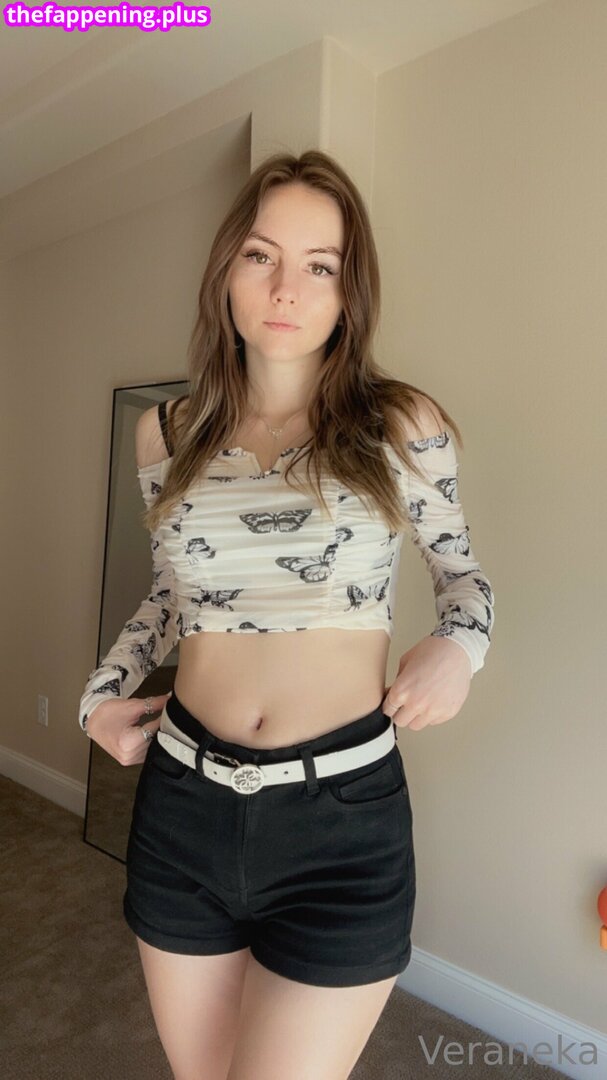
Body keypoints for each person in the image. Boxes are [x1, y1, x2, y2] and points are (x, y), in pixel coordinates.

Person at [78, 149, 494, 1080]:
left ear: (349, 291)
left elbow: (461, 576)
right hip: (182, 807)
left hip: (340, 821)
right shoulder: (167, 432)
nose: (284, 288)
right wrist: (98, 698)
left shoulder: (397, 424)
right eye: (260, 255)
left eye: (319, 265)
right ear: (226, 268)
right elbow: (171, 595)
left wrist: (456, 650)